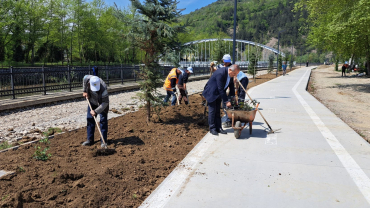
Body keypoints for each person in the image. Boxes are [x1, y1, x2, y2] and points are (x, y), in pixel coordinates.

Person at [202, 64, 240, 136]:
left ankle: (219, 127)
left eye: (236, 74)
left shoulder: (230, 75)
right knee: (212, 111)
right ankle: (212, 128)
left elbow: (231, 86)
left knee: (217, 112)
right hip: (211, 93)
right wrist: (226, 101)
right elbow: (220, 89)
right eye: (234, 73)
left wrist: (233, 97)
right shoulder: (221, 73)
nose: (235, 75)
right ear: (230, 70)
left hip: (218, 94)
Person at [82, 75, 109, 147]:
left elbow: (105, 103)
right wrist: (84, 91)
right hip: (92, 101)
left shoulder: (103, 89)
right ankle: (90, 140)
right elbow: (84, 78)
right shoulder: (87, 79)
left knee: (103, 120)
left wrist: (96, 111)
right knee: (90, 119)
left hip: (102, 103)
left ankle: (103, 141)